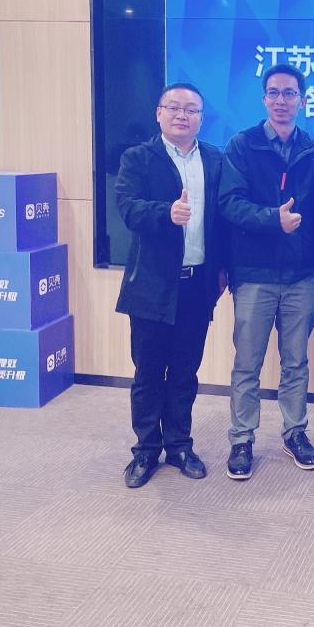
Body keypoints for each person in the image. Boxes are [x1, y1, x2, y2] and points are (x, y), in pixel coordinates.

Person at [219, 63, 314, 480]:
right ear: (264, 98)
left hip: (302, 276)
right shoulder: (242, 145)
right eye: (274, 92)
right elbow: (230, 204)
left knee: (296, 362)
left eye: (289, 93)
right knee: (247, 363)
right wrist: (274, 219)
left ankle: (295, 432)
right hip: (254, 274)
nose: (281, 100)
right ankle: (241, 439)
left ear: (302, 100)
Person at [114, 82, 228, 488]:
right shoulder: (137, 158)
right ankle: (146, 450)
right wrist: (167, 213)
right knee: (148, 372)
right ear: (158, 113)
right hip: (152, 284)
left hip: (197, 285)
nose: (183, 115)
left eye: (191, 109)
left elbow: (223, 220)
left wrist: (224, 269)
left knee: (184, 371)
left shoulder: (214, 159)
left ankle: (180, 445)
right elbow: (127, 208)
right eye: (174, 107)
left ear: (201, 118)